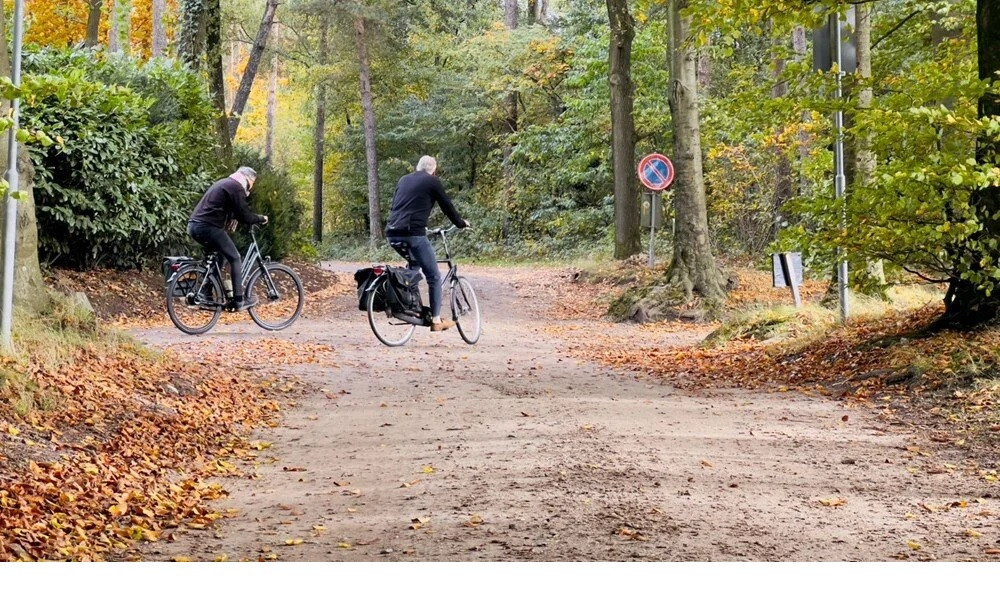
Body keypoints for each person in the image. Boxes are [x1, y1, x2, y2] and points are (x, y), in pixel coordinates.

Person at [385, 155, 470, 331]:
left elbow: (399, 205)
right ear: (434, 169)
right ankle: (436, 320)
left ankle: (408, 304)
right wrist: (461, 224)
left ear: (418, 167)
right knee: (433, 276)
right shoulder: (432, 181)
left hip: (392, 233)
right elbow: (447, 206)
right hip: (413, 233)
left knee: (414, 266)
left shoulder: (403, 179)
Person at [187, 167, 268, 311]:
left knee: (220, 256)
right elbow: (245, 215)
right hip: (208, 227)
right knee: (235, 257)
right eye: (252, 183)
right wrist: (261, 219)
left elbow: (226, 206)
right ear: (247, 179)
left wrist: (232, 218)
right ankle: (238, 300)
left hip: (195, 226)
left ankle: (205, 294)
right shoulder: (236, 187)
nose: (251, 188)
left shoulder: (225, 183)